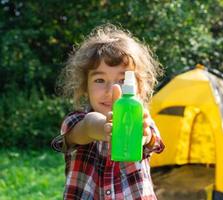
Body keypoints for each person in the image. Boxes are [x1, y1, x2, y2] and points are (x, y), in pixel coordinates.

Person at [51, 23, 165, 200]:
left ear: (140, 87)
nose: (111, 90)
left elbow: (153, 140)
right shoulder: (76, 121)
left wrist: (145, 136)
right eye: (99, 80)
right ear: (85, 87)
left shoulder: (142, 121)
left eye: (122, 79)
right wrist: (104, 127)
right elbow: (87, 127)